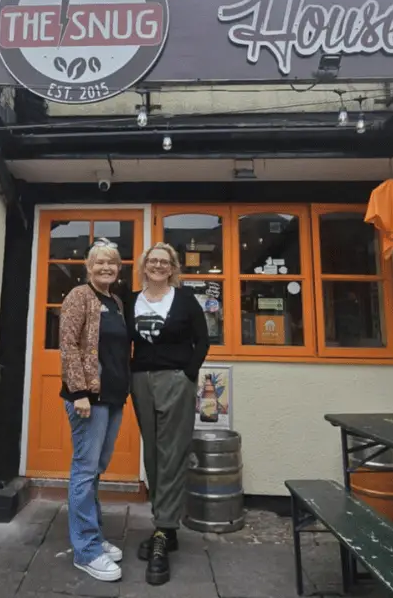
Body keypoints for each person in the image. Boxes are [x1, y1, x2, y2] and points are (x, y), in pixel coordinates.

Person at [129, 242, 210, 585]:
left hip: (176, 381)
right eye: (153, 261)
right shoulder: (131, 299)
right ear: (144, 266)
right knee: (153, 453)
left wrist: (187, 375)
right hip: (141, 382)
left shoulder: (185, 300)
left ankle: (162, 533)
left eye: (165, 262)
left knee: (173, 453)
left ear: (173, 267)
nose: (158, 266)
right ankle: (168, 525)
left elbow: (203, 340)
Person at [58, 238, 130, 582]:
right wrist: (80, 392)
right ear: (88, 267)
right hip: (89, 396)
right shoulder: (79, 297)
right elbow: (68, 345)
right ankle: (86, 550)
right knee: (85, 470)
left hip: (113, 396)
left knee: (97, 467)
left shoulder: (115, 301)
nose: (106, 268)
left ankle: (95, 537)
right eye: (99, 262)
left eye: (111, 263)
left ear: (118, 268)